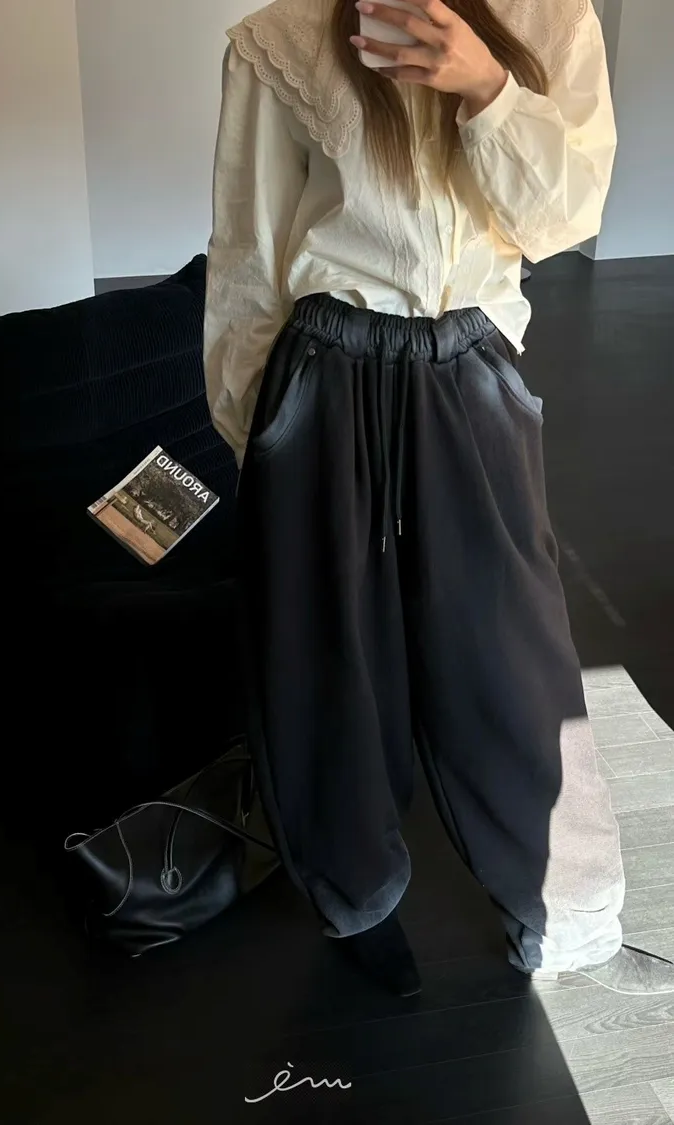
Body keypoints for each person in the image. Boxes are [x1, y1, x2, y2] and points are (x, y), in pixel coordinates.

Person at [204, 0, 674, 997]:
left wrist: (487, 89)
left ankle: (573, 915)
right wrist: (258, 435)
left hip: (467, 361)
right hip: (322, 365)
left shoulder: (551, 18)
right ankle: (355, 896)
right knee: (328, 649)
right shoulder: (278, 40)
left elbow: (567, 216)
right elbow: (248, 251)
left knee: (514, 651)